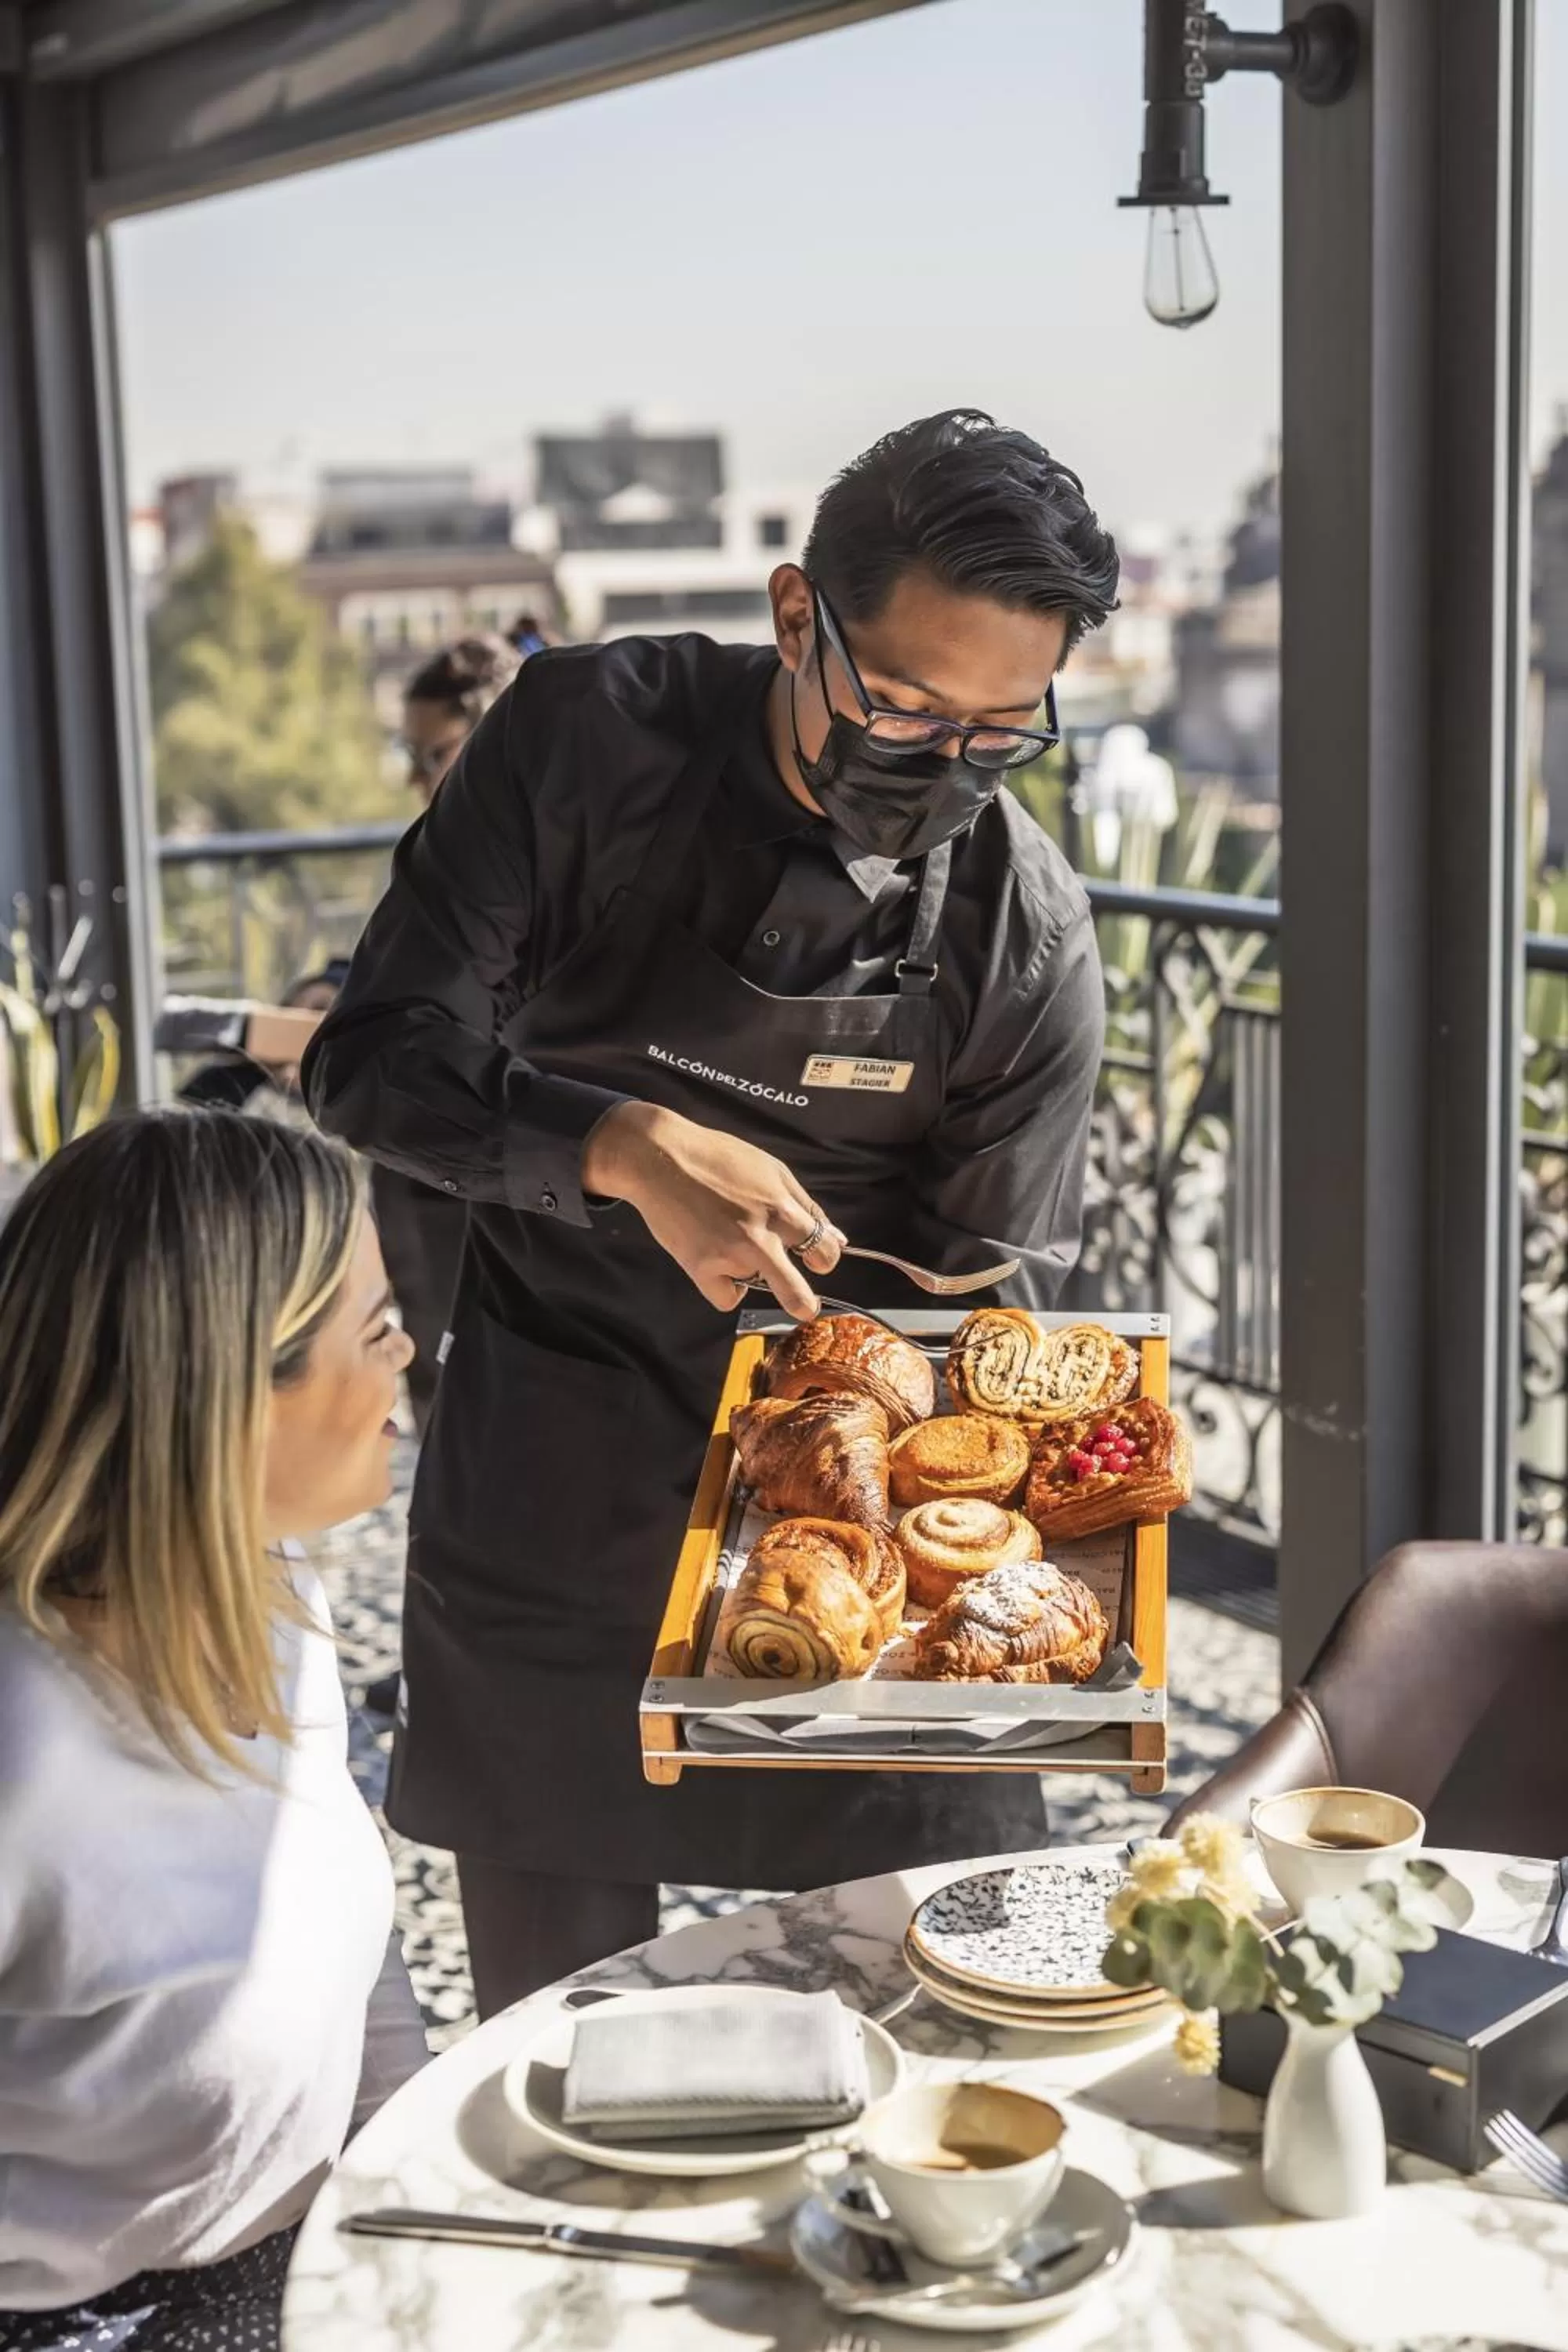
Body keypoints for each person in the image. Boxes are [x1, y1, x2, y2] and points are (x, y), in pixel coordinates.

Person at [304, 409, 1119, 2016]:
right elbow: (373, 1062)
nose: (939, 765)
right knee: (558, 2036)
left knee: (928, 2006)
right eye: (900, 705)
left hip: (856, 1490)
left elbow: (974, 1326)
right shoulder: (579, 745)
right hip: (555, 1440)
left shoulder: (1023, 939)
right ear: (796, 615)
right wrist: (614, 1141)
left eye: (998, 733)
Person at [0, 1111, 423, 2348]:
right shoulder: (22, 1742)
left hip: (307, 2267)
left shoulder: (265, 1586)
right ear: (225, 1394)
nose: (411, 1356)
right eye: (378, 1326)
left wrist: (406, 2181)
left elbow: (340, 1937)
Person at [376, 633, 522, 1440]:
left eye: (430, 752)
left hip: (494, 1176)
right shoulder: (442, 857)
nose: (414, 776)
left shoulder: (560, 861)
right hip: (428, 1179)